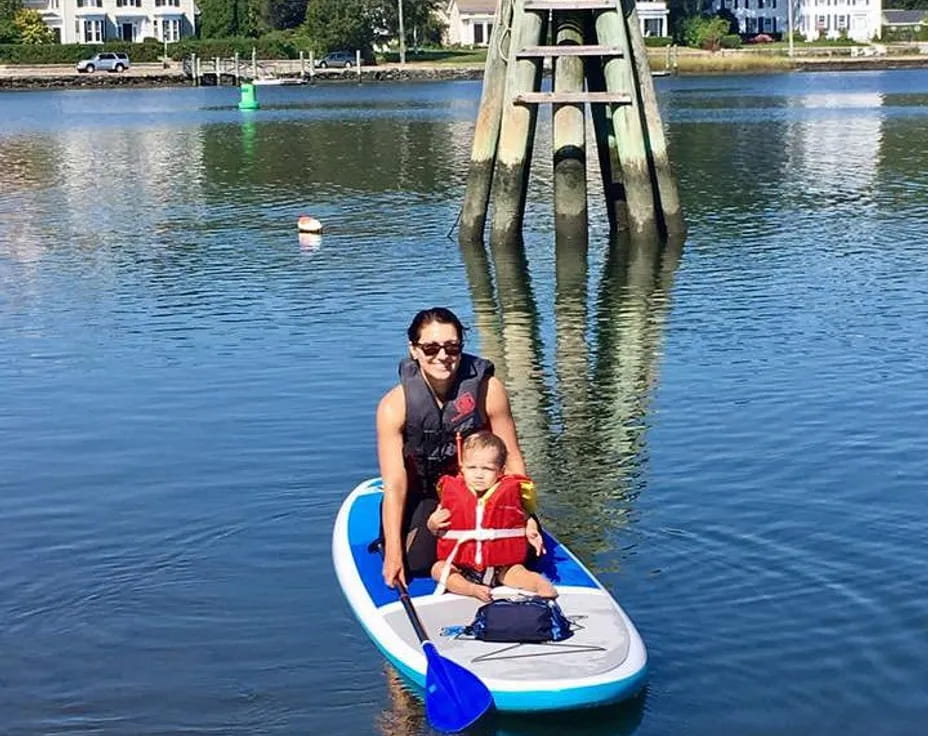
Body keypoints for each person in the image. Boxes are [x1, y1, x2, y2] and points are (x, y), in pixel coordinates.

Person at [377, 307, 539, 588]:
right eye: (430, 348)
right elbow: (395, 483)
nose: (443, 357)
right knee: (417, 563)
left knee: (524, 553)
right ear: (414, 350)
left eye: (452, 347)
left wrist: (525, 514)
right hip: (427, 492)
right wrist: (392, 553)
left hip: (483, 487)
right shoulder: (394, 406)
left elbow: (512, 459)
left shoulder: (490, 390)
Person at [428, 431, 555, 602]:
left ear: (500, 471)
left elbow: (525, 517)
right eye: (472, 468)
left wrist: (531, 531)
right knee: (438, 569)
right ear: (462, 468)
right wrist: (433, 523)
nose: (479, 474)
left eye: (487, 469)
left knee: (518, 572)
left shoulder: (509, 493)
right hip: (462, 566)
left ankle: (541, 585)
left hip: (502, 566)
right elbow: (434, 525)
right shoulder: (452, 493)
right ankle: (471, 589)